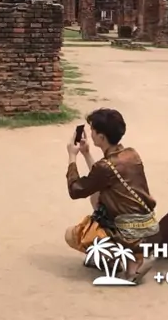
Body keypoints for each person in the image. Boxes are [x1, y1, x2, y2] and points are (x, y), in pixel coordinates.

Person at [64, 108, 159, 282]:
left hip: (123, 228)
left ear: (101, 137)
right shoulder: (132, 155)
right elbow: (103, 178)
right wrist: (86, 153)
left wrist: (72, 156)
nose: (90, 133)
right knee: (97, 196)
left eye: (92, 130)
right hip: (145, 226)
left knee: (71, 235)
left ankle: (128, 261)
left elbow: (76, 190)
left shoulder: (105, 167)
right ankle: (135, 256)